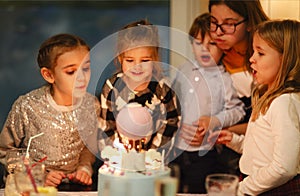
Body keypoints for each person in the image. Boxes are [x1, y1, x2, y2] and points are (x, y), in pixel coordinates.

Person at [209, 19, 300, 195]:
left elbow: (284, 168)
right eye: (253, 51)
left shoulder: (284, 103)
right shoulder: (270, 98)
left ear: (286, 59)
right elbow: (263, 153)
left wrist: (241, 189)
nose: (251, 59)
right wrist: (234, 140)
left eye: (260, 53)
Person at [0, 33, 99, 188]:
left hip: (73, 188)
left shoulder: (91, 104)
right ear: (49, 75)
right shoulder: (27, 106)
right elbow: (5, 151)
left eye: (85, 68)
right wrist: (38, 174)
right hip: (32, 187)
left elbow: (89, 146)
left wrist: (84, 168)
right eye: (71, 72)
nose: (82, 77)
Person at [170, 13, 245, 193]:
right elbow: (172, 102)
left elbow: (237, 110)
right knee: (173, 186)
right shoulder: (183, 70)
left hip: (205, 150)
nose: (204, 49)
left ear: (222, 46)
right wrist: (176, 122)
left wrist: (215, 120)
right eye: (198, 43)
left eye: (211, 44)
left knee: (197, 187)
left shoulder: (225, 79)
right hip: (176, 146)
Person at [98, 19, 180, 160]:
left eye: (145, 60)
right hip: (120, 159)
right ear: (120, 58)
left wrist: (152, 156)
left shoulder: (162, 88)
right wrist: (117, 155)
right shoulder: (112, 87)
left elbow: (171, 124)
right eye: (130, 60)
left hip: (154, 161)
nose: (137, 66)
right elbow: (107, 126)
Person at [209, 0, 269, 129]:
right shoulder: (214, 57)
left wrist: (224, 132)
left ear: (249, 23)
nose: (218, 32)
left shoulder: (269, 58)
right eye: (213, 22)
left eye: (229, 24)